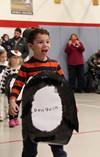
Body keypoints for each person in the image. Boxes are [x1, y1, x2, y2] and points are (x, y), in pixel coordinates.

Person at [9, 28, 67, 157]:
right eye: (40, 42)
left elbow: (63, 85)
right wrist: (12, 100)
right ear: (30, 46)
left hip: (52, 114)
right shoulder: (26, 67)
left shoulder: (55, 65)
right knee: (30, 150)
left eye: (47, 41)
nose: (45, 45)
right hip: (31, 114)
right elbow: (17, 85)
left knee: (58, 148)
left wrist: (70, 103)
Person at [0, 49, 22, 126]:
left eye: (18, 58)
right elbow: (3, 79)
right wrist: (2, 89)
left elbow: (23, 79)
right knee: (11, 104)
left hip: (19, 90)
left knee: (18, 104)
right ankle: (11, 119)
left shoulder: (21, 68)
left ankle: (16, 117)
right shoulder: (7, 69)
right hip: (10, 89)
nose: (16, 60)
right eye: (14, 58)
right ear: (9, 59)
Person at [0, 46, 8, 121]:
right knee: (1, 100)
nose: (4, 58)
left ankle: (6, 112)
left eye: (5, 57)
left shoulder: (8, 65)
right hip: (0, 85)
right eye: (2, 57)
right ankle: (1, 115)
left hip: (7, 85)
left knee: (6, 100)